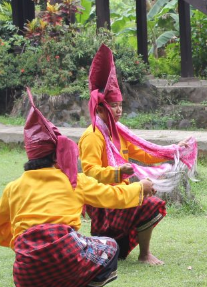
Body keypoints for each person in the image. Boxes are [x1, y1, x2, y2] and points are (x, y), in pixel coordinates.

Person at [0, 90, 154, 287]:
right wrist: (140, 188)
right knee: (108, 247)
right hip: (66, 251)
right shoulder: (72, 180)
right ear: (57, 156)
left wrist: (21, 243)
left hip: (26, 263)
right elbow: (112, 197)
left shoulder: (14, 187)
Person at [79, 45, 196, 266]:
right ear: (101, 109)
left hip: (123, 193)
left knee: (151, 203)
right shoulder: (93, 136)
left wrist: (173, 150)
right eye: (113, 106)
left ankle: (141, 253)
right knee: (149, 203)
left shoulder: (118, 132)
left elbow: (143, 153)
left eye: (120, 105)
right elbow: (90, 173)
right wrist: (117, 173)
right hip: (103, 202)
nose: (119, 110)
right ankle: (138, 253)